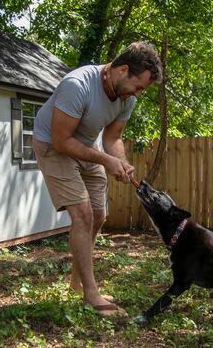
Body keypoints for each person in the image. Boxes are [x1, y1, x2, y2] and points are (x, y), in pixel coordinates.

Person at [32, 41, 162, 317]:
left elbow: (112, 137)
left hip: (86, 147)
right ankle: (91, 294)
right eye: (138, 86)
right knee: (83, 214)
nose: (138, 93)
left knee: (99, 215)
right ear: (122, 70)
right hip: (54, 145)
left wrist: (122, 162)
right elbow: (61, 140)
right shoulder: (77, 85)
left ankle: (77, 285)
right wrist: (106, 159)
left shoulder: (127, 99)